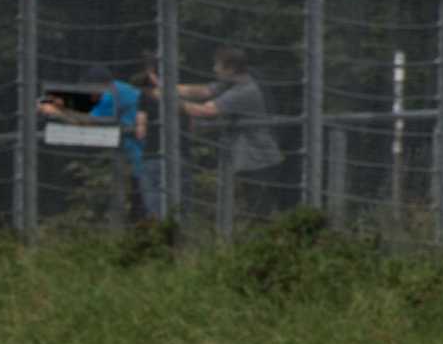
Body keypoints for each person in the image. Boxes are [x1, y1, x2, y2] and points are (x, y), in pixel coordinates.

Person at [40, 61, 157, 220]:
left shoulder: (111, 95)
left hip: (140, 161)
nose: (90, 94)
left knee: (144, 213)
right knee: (140, 213)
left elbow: (89, 122)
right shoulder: (120, 89)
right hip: (141, 159)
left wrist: (57, 112)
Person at [174, 46, 282, 214]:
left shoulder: (245, 90)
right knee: (255, 209)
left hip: (260, 160)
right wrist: (164, 86)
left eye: (218, 65)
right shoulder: (231, 83)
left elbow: (206, 110)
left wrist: (173, 101)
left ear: (230, 69)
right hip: (250, 159)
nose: (214, 69)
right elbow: (203, 91)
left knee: (260, 211)